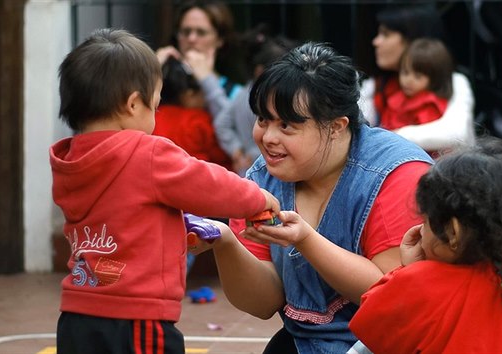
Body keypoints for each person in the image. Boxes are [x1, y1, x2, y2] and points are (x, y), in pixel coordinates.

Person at [193, 42, 434, 353]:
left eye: (286, 126)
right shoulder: (259, 180)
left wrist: (305, 240)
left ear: (336, 126)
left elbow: (392, 292)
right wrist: (224, 241)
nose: (268, 138)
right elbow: (263, 303)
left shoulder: (398, 174)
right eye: (263, 120)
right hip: (303, 341)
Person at [50, 28, 279, 354]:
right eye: (154, 106)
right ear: (132, 104)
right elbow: (209, 184)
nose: (156, 115)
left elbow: (126, 209)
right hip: (136, 318)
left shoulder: (69, 159)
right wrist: (257, 196)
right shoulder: (147, 153)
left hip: (76, 315)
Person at [348, 137, 502, 354]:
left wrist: (405, 272)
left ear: (452, 232)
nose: (421, 229)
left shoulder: (421, 283)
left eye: (425, 221)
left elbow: (371, 322)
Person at [359, 4, 476, 152]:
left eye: (386, 34)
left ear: (411, 39)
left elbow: (456, 133)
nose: (376, 42)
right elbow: (356, 128)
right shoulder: (376, 84)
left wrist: (389, 137)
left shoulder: (454, 81)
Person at [214, 26, 298, 176]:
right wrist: (248, 153)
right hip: (266, 169)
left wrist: (237, 150)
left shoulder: (242, 94)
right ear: (259, 71)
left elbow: (221, 123)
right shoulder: (265, 99)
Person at [156, 0, 242, 121]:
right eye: (186, 32)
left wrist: (207, 80)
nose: (191, 39)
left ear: (220, 39)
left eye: (201, 32)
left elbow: (231, 130)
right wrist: (151, 71)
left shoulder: (236, 94)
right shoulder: (161, 82)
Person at [154, 57, 232, 170]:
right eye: (203, 92)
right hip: (200, 179)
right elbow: (224, 156)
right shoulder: (198, 119)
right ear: (189, 95)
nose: (205, 99)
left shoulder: (152, 117)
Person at [380, 38, 453, 132]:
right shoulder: (395, 98)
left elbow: (427, 138)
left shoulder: (430, 106)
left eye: (418, 76)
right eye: (405, 72)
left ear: (435, 77)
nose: (408, 80)